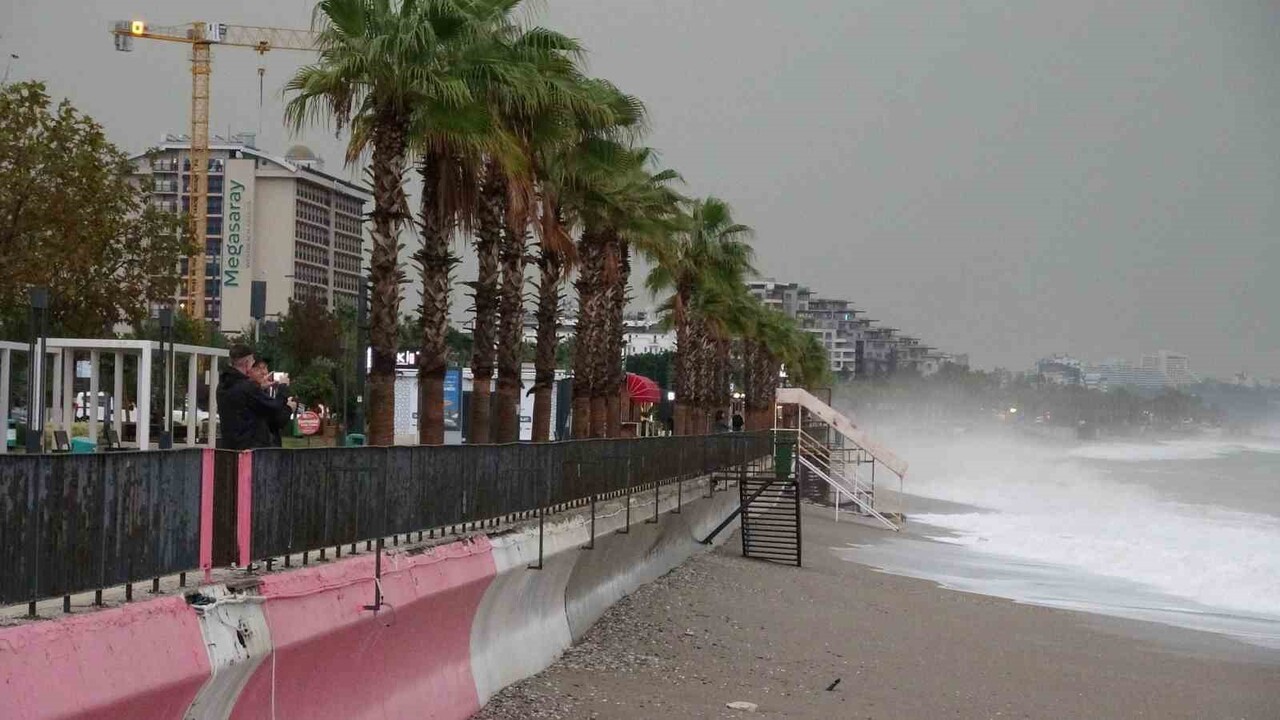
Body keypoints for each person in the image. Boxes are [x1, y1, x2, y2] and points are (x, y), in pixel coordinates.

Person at [217, 345, 295, 450]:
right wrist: (283, 387)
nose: (264, 372)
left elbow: (244, 401)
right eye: (253, 364)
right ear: (247, 363)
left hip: (230, 448)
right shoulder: (247, 387)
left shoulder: (223, 386)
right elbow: (274, 407)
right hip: (252, 449)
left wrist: (259, 388)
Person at [251, 357, 293, 448]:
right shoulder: (252, 393)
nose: (264, 372)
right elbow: (276, 421)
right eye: (258, 369)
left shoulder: (265, 390)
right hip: (263, 447)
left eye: (265, 368)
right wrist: (289, 408)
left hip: (269, 445)